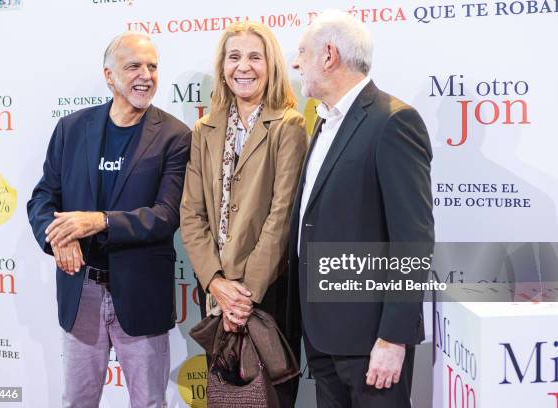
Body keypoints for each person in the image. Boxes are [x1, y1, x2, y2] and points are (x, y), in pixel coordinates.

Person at [27, 32, 191, 407]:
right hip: (81, 288)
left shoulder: (174, 136)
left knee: (149, 402)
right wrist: (59, 238)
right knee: (78, 401)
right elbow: (42, 197)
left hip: (140, 292)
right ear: (109, 75)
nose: (146, 75)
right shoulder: (72, 129)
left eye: (152, 66)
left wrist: (99, 221)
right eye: (134, 66)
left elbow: (165, 216)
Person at [288, 10, 435, 408]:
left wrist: (393, 337)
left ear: (329, 55)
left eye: (302, 52)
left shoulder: (393, 122)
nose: (296, 63)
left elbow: (414, 239)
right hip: (322, 337)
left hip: (372, 343)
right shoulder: (323, 122)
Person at [179, 21, 307, 407]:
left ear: (271, 65)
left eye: (255, 56)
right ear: (222, 66)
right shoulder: (205, 128)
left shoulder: (289, 125)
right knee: (227, 399)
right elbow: (191, 213)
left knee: (270, 399)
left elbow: (282, 215)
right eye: (234, 57)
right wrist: (216, 282)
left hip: (267, 294)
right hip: (217, 295)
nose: (244, 66)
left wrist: (243, 297)